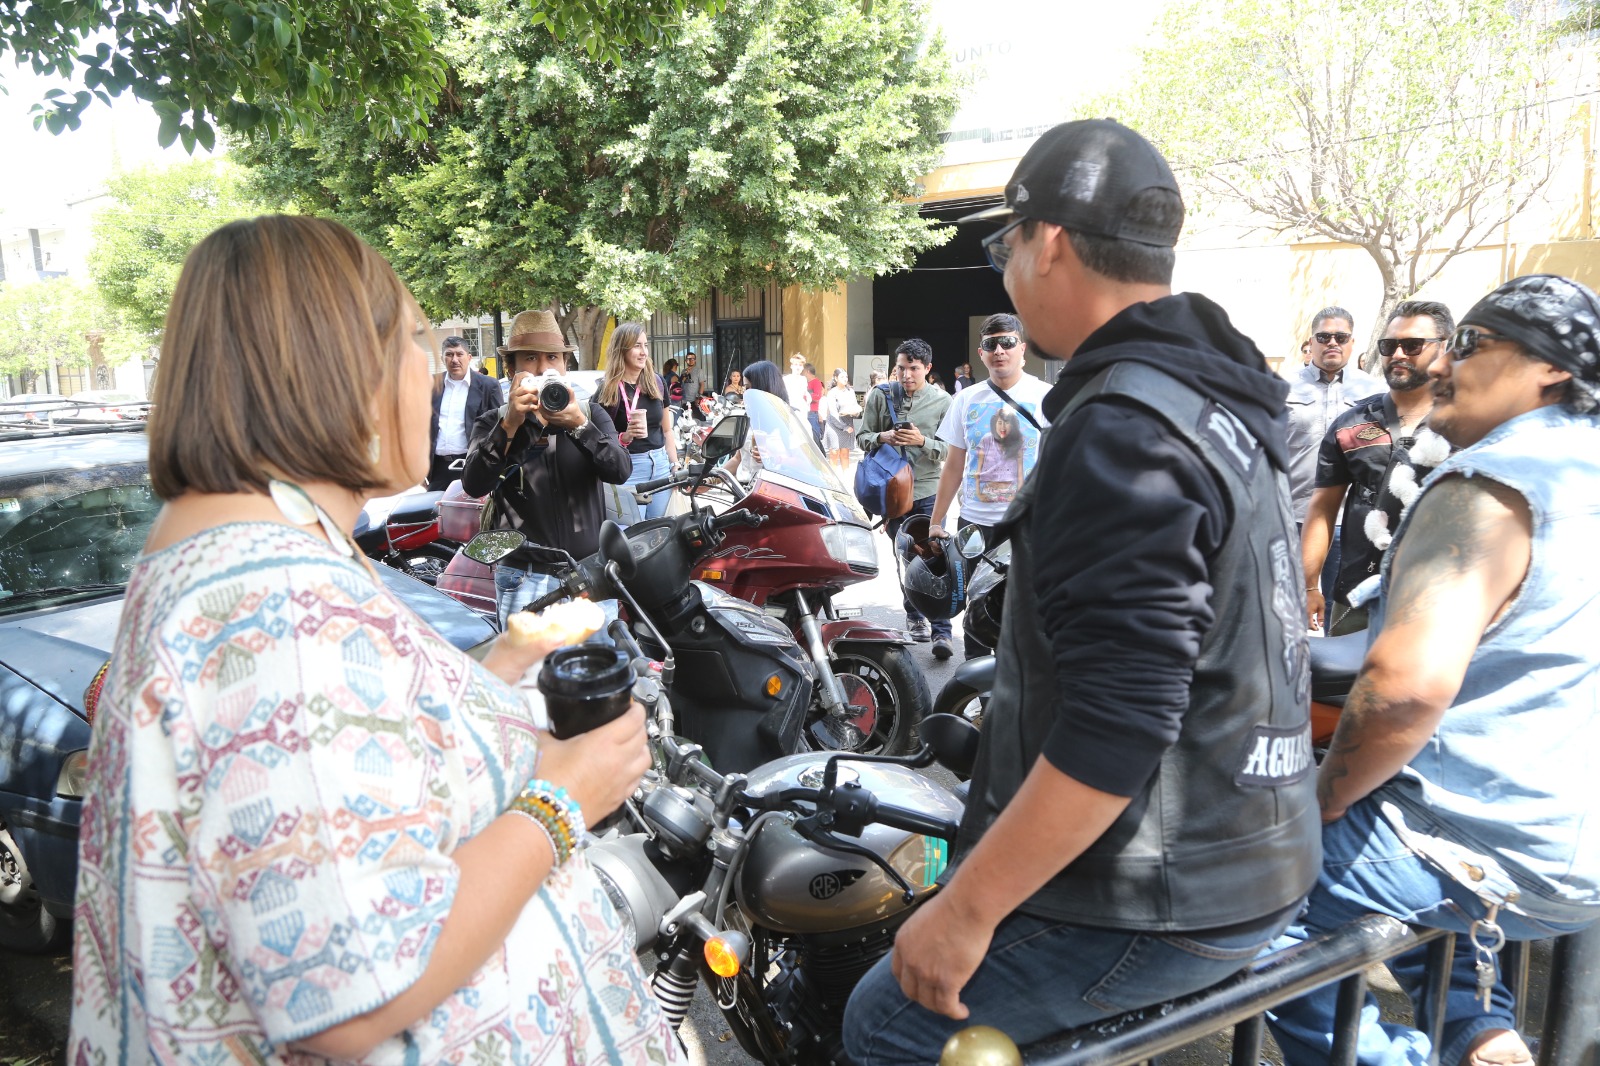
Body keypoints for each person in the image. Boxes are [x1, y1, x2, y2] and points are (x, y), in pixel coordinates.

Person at [67, 215, 676, 1065]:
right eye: (415, 339)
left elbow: (345, 766)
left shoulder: (259, 556)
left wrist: (492, 670)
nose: (429, 368)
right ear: (332, 368)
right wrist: (564, 796)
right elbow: (350, 988)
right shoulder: (271, 604)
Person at [843, 120, 1319, 1066]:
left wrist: (966, 912)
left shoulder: (1124, 428)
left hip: (1172, 887)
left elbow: (1122, 718)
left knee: (887, 1021)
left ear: (1048, 241)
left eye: (1003, 245)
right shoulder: (1212, 396)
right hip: (1255, 856)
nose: (1004, 270)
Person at [1266, 274, 1600, 1066]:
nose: (1444, 364)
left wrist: (1323, 800)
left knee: (1241, 886)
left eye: (1474, 345)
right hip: (1567, 855)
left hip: (1484, 842)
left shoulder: (1487, 486)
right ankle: (1482, 1038)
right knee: (1394, 888)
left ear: (1550, 367)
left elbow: (1404, 690)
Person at [461, 308, 630, 629]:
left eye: (552, 357)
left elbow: (620, 470)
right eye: (529, 359)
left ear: (565, 365)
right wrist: (511, 424)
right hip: (523, 578)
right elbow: (474, 483)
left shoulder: (590, 414)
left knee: (596, 674)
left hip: (588, 576)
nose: (543, 368)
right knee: (527, 676)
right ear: (512, 369)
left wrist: (580, 427)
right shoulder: (493, 421)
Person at [1302, 301, 1454, 635]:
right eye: (1389, 345)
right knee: (1349, 684)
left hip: (1443, 597)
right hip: (1357, 594)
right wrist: (1310, 585)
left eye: (1412, 345)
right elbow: (1323, 508)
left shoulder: (1466, 423)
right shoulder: (1350, 425)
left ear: (1444, 348)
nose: (1398, 353)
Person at [929, 312, 1050, 657]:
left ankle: (1023, 700)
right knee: (977, 615)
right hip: (976, 525)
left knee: (1030, 613)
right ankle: (982, 705)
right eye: (991, 344)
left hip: (1028, 525)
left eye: (1007, 342)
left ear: (1022, 349)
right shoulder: (966, 400)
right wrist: (937, 523)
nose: (1000, 350)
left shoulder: (1046, 397)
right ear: (981, 353)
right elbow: (953, 465)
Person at [858, 338, 953, 657]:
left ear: (927, 369)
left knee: (935, 558)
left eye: (913, 368)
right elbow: (862, 437)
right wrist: (880, 437)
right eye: (901, 368)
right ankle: (914, 617)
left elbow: (950, 451)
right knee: (906, 559)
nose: (906, 374)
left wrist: (923, 441)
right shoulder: (880, 396)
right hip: (893, 494)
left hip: (928, 491)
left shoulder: (942, 401)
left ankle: (942, 631)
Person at [598, 322, 677, 524]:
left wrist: (674, 464)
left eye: (645, 345)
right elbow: (598, 440)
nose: (644, 352)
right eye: (637, 346)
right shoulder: (607, 390)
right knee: (631, 538)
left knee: (661, 532)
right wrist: (625, 437)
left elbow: (667, 430)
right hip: (629, 469)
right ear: (621, 349)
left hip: (660, 465)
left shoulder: (657, 383)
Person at [428, 336, 504, 490]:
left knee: (471, 513)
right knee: (435, 512)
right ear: (442, 359)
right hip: (438, 469)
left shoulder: (488, 386)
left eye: (459, 354)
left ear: (469, 357)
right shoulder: (432, 384)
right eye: (449, 354)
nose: (454, 359)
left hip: (473, 466)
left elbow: (499, 427)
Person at [823, 367, 862, 469]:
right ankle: (834, 479)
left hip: (847, 422)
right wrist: (844, 427)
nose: (845, 378)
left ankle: (846, 478)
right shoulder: (832, 392)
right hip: (834, 425)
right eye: (842, 377)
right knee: (834, 452)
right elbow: (833, 413)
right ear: (836, 378)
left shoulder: (850, 391)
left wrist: (855, 413)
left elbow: (855, 407)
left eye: (846, 376)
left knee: (845, 453)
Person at [805, 362, 826, 443]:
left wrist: (804, 396)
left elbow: (817, 396)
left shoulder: (816, 382)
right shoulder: (804, 382)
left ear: (807, 371)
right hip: (805, 412)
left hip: (812, 414)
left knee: (814, 438)